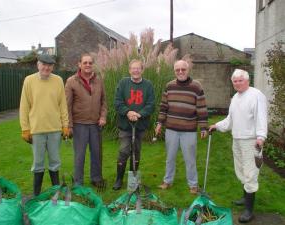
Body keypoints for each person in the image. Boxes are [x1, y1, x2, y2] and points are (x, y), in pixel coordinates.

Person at [209, 69, 267, 223]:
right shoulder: (235, 97)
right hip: (237, 139)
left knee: (250, 173)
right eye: (234, 81)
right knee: (241, 170)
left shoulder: (256, 95)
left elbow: (261, 117)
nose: (237, 83)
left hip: (252, 141)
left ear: (247, 80)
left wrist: (261, 137)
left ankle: (249, 210)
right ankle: (245, 197)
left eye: (240, 80)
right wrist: (217, 125)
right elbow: (230, 120)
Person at [155, 59, 208, 194]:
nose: (180, 72)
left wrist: (203, 127)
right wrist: (159, 123)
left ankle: (193, 184)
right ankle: (167, 181)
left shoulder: (196, 86)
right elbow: (163, 107)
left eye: (183, 69)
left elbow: (201, 108)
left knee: (190, 159)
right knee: (170, 158)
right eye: (177, 70)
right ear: (174, 71)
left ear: (188, 70)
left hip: (189, 130)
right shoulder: (169, 86)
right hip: (171, 129)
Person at [19, 54, 70, 196]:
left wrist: (65, 125)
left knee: (55, 162)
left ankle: (56, 193)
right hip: (36, 130)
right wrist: (25, 128)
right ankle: (36, 195)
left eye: (50, 65)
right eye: (44, 64)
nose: (47, 67)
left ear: (53, 66)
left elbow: (63, 105)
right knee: (38, 164)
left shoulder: (58, 80)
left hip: (55, 129)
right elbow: (24, 106)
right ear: (38, 65)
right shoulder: (29, 81)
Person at [112, 59, 155, 190]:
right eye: (133, 68)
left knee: (136, 152)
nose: (136, 70)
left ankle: (133, 181)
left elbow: (151, 104)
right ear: (129, 70)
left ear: (142, 70)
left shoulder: (148, 85)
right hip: (126, 125)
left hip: (140, 125)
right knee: (124, 151)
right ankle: (119, 179)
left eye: (138, 68)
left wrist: (139, 114)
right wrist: (128, 112)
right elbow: (118, 102)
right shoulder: (123, 83)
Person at [65, 54, 107, 187]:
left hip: (95, 124)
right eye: (85, 63)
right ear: (79, 64)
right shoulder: (71, 81)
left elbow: (104, 102)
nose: (88, 65)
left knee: (96, 153)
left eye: (90, 63)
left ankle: (96, 179)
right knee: (80, 155)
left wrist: (103, 116)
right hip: (79, 124)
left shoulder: (99, 80)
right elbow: (67, 105)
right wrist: (69, 125)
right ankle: (78, 182)